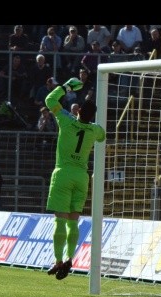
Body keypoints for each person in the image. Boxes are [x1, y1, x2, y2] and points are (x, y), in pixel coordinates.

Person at [44, 77, 105, 280]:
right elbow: (102, 135)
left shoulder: (66, 120)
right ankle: (71, 257)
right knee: (73, 221)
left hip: (63, 173)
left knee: (60, 221)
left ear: (78, 111)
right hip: (81, 176)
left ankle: (59, 260)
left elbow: (49, 101)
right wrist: (91, 123)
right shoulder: (94, 129)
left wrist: (66, 86)